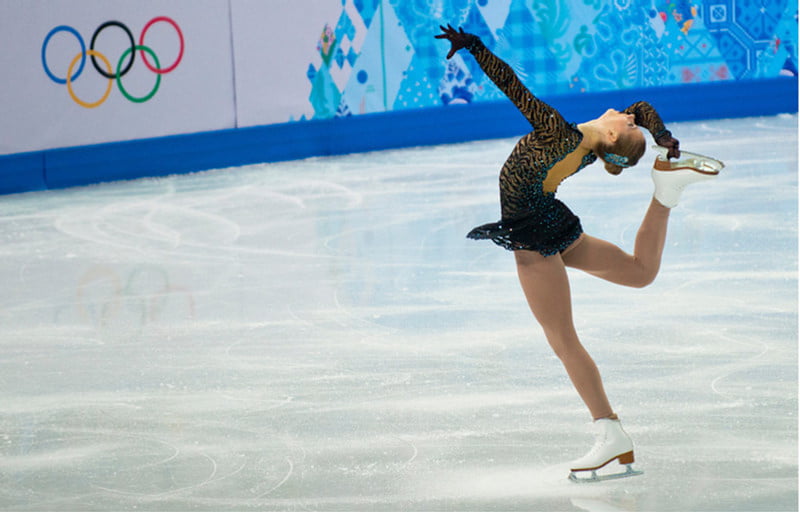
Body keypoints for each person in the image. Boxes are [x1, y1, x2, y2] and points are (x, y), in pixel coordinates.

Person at [435, 25, 718, 480]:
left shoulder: (559, 135)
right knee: (639, 272)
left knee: (563, 340)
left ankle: (610, 432)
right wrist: (661, 135)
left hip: (534, 236)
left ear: (610, 137)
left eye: (624, 123)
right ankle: (665, 192)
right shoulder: (593, 145)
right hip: (549, 217)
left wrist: (474, 46)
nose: (626, 115)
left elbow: (512, 85)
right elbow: (641, 110)